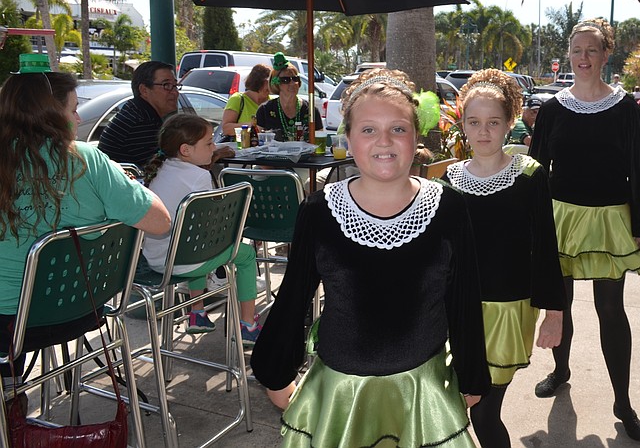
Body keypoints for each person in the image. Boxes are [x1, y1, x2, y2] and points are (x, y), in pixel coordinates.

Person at [250, 69, 490, 447]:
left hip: (422, 394)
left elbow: (464, 298)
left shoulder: (449, 207)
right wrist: (276, 372)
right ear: (348, 138)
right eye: (368, 129)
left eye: (398, 128)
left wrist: (472, 373)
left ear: (416, 137)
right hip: (341, 392)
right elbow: (294, 296)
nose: (384, 141)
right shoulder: (319, 211)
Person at [529, 18, 640, 441]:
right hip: (561, 219)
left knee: (611, 310)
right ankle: (560, 371)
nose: (583, 57)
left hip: (609, 219)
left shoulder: (626, 109)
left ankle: (623, 401)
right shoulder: (552, 109)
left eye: (591, 50)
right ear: (568, 55)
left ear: (606, 55)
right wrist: (530, 223)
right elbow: (536, 170)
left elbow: (639, 169)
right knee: (560, 304)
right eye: (576, 50)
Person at [0, 69, 171, 373]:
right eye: (73, 109)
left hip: (8, 326)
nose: (78, 119)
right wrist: (127, 184)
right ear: (50, 115)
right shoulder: (86, 160)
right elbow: (160, 222)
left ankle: (12, 387)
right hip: (80, 309)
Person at [444, 69, 564, 448]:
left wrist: (554, 315)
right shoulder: (448, 182)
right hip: (457, 313)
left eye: (493, 122)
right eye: (474, 122)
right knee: (452, 407)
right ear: (463, 124)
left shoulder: (529, 176)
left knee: (483, 411)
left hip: (508, 312)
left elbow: (546, 248)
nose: (483, 131)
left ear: (510, 122)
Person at [141, 114, 263, 347]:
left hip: (157, 258)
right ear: (185, 150)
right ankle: (248, 324)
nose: (214, 147)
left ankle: (197, 312)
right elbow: (211, 229)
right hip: (183, 260)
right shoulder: (199, 176)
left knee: (194, 242)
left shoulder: (160, 169)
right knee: (245, 254)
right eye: (208, 143)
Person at [98, 60, 180, 167]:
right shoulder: (140, 122)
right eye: (166, 85)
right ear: (144, 90)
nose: (175, 92)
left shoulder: (137, 111)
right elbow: (158, 170)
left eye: (175, 85)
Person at [255, 56, 323, 141]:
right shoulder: (265, 110)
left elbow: (320, 140)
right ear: (276, 84)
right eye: (285, 80)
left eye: (295, 79)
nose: (292, 83)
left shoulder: (311, 111)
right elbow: (257, 140)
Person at [220, 63, 271, 138]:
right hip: (241, 144)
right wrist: (253, 126)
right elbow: (226, 129)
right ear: (258, 82)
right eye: (268, 83)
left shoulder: (272, 102)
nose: (271, 87)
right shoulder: (238, 99)